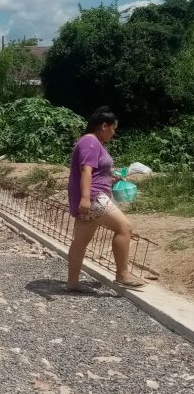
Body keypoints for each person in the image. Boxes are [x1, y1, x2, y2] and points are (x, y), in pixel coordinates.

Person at [66, 107, 146, 292]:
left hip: (93, 195)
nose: (114, 132)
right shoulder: (91, 142)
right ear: (104, 126)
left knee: (80, 241)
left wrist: (111, 178)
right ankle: (122, 274)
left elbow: (95, 172)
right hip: (94, 197)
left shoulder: (93, 142)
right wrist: (86, 198)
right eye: (113, 128)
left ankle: (72, 282)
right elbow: (86, 170)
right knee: (124, 227)